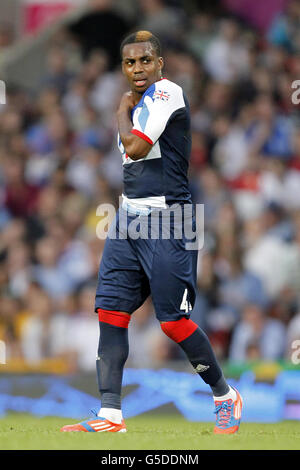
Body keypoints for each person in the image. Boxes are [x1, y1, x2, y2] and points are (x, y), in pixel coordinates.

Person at [60, 30, 242, 435]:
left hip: (170, 221)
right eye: (129, 62)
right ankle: (110, 415)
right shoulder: (137, 102)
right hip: (127, 219)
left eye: (145, 60)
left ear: (160, 63)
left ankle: (224, 395)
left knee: (173, 323)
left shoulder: (166, 94)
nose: (137, 69)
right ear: (123, 67)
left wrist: (119, 111)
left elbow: (138, 147)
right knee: (110, 311)